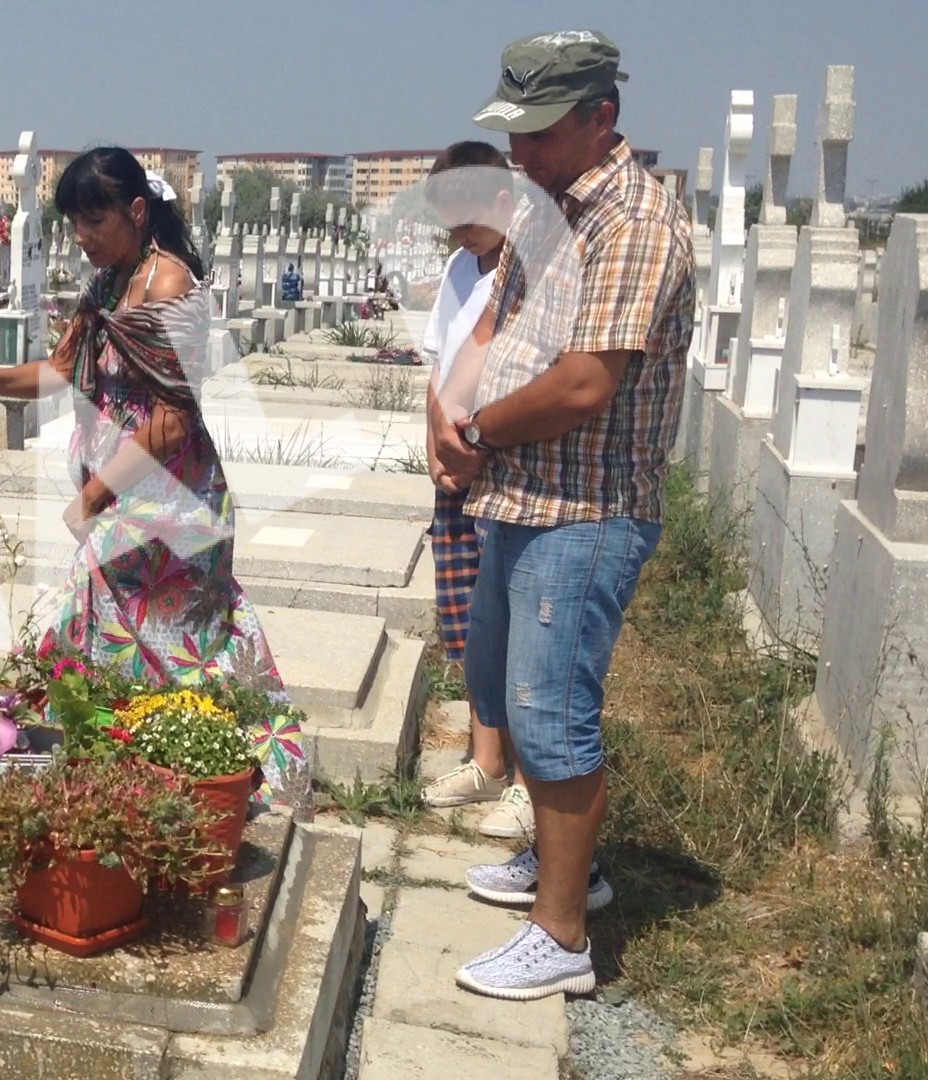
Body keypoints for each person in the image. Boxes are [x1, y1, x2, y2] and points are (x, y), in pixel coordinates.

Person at [435, 31, 694, 1001]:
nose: (521, 152)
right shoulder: (548, 210)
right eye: (513, 131)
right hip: (518, 492)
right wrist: (449, 413)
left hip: (584, 508)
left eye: (539, 133)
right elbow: (492, 321)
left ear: (601, 118)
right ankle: (564, 867)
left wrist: (478, 429)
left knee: (552, 718)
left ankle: (563, 938)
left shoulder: (634, 223)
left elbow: (586, 382)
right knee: (505, 688)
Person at [0, 147, 307, 802]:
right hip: (120, 499)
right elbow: (61, 370)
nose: (83, 238)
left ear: (137, 211)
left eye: (96, 221)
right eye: (75, 224)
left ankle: (219, 780)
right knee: (115, 643)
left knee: (175, 649)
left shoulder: (170, 288)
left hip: (170, 504)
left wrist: (97, 491)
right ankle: (133, 780)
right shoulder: (108, 284)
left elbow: (173, 421)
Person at [416, 141, 537, 841]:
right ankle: (486, 759)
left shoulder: (529, 269)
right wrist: (436, 444)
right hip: (455, 468)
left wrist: (472, 449)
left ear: (502, 200)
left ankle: (526, 777)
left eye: (468, 222)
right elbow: (440, 360)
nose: (460, 237)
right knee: (467, 617)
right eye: (451, 227)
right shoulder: (462, 267)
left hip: (503, 464)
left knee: (514, 621)